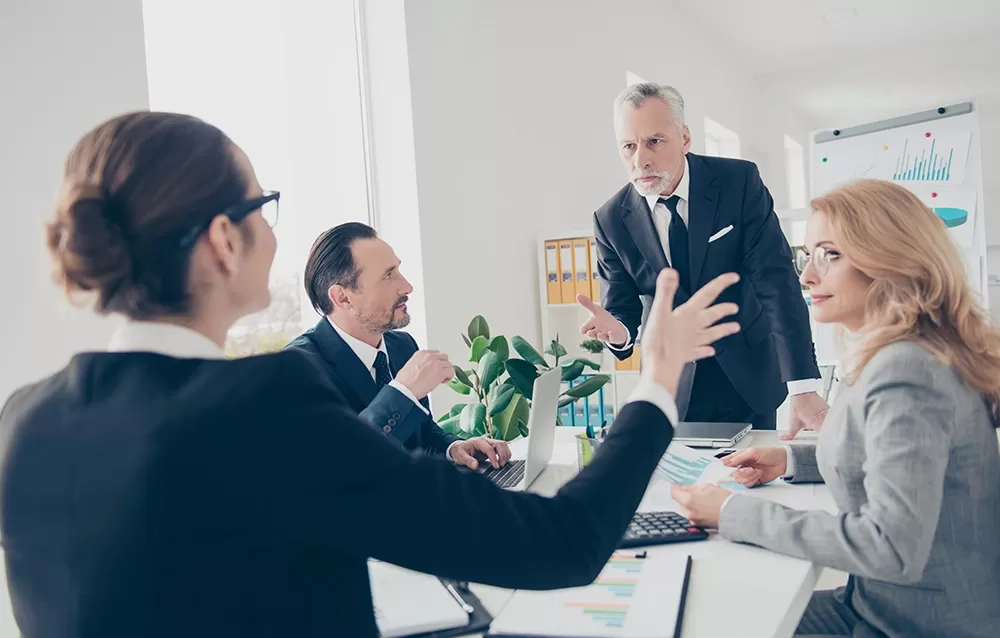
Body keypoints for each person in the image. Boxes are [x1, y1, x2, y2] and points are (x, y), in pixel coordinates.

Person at [0, 111, 742, 637]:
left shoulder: (21, 420)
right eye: (264, 205)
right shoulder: (263, 408)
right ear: (225, 240)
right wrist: (657, 379)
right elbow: (563, 541)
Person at [671, 179, 1000, 638]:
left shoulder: (908, 370)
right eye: (807, 255)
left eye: (830, 254)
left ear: (890, 259)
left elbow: (891, 547)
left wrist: (731, 512)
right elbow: (901, 460)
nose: (806, 276)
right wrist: (793, 460)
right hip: (880, 603)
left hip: (913, 624)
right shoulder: (904, 351)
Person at [578, 82, 827, 436]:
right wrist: (619, 333)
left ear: (685, 137)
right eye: (628, 146)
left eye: (654, 141)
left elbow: (776, 283)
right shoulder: (610, 219)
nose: (640, 160)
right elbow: (622, 310)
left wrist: (802, 385)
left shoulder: (739, 183)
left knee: (752, 476)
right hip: (670, 387)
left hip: (747, 375)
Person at [285, 222, 509, 470]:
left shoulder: (401, 345)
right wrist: (403, 391)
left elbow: (419, 433)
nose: (407, 286)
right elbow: (337, 464)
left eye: (398, 270)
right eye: (388, 276)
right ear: (343, 297)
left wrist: (452, 448)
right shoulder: (298, 369)